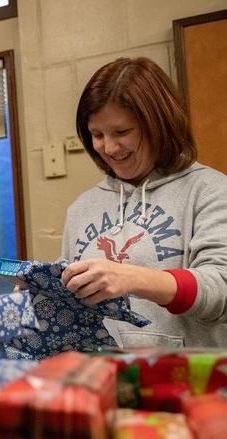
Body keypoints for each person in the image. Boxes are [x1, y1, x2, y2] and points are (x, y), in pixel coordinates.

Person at [60, 57, 227, 347]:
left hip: (187, 383)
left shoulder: (210, 190)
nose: (109, 148)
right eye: (97, 135)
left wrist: (133, 278)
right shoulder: (81, 208)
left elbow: (220, 290)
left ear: (159, 124)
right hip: (102, 379)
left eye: (122, 132)